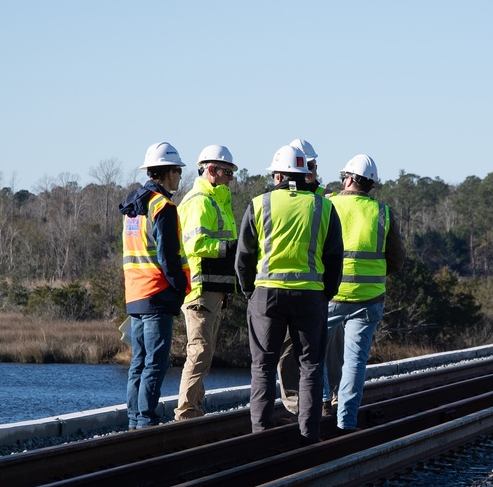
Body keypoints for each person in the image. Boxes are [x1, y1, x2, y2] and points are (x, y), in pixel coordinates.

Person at [235, 144, 343, 440]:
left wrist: (250, 293)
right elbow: (335, 257)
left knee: (263, 366)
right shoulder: (323, 206)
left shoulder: (259, 204)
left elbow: (243, 256)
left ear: (278, 176)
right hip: (310, 296)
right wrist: (326, 294)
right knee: (310, 366)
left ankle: (261, 434)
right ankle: (309, 434)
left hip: (266, 295)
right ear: (305, 174)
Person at [326, 154, 405, 433]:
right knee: (355, 362)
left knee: (315, 354)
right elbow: (396, 259)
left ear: (347, 179)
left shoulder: (328, 205)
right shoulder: (382, 212)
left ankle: (322, 404)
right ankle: (345, 421)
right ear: (370, 184)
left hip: (330, 296)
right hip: (368, 299)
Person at [119, 141, 190, 429]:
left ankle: (134, 419)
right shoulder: (162, 206)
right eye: (178, 171)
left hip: (135, 293)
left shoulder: (133, 206)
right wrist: (180, 286)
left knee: (139, 361)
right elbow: (168, 256)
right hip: (157, 292)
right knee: (156, 363)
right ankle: (146, 421)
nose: (180, 177)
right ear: (166, 172)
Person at [174, 145, 239, 420]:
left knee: (205, 353)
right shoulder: (200, 201)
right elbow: (197, 243)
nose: (230, 178)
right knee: (199, 352)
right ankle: (186, 413)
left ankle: (194, 410)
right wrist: (232, 247)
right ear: (211, 170)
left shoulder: (218, 200)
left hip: (213, 290)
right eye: (227, 172)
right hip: (199, 291)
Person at [278, 138, 332, 417]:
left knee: (314, 353)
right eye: (309, 165)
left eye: (314, 165)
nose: (312, 171)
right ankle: (295, 405)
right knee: (288, 351)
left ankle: (317, 403)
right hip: (285, 286)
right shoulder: (279, 199)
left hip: (315, 287)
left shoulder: (326, 198)